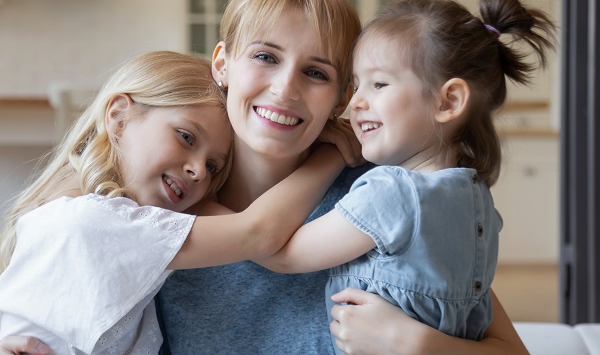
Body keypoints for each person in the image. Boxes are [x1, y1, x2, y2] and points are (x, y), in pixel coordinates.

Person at [0, 0, 537, 355]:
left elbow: (506, 348)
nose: (285, 88)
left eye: (317, 72)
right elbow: (47, 282)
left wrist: (416, 344)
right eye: (265, 56)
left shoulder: (378, 200)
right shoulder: (160, 201)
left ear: (343, 96)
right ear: (223, 64)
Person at [253, 0, 557, 353]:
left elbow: (283, 254)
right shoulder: (479, 206)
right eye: (356, 84)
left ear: (448, 101)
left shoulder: (391, 193)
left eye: (379, 84)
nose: (355, 102)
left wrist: (204, 214)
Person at [0, 51, 351, 354]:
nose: (198, 170)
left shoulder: (66, 212)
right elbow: (259, 233)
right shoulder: (97, 224)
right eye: (186, 137)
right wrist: (332, 153)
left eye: (214, 166)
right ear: (120, 116)